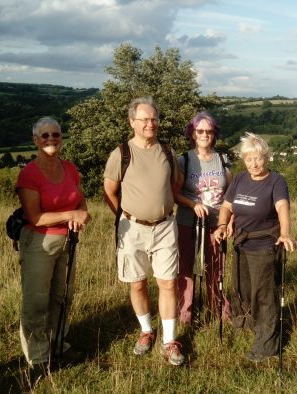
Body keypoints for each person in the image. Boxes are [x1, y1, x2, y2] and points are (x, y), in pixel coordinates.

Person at [103, 97, 186, 366]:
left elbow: (176, 184)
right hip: (132, 229)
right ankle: (147, 332)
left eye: (154, 119)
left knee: (168, 283)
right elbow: (109, 190)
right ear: (132, 123)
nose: (151, 124)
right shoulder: (121, 154)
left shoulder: (167, 151)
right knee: (137, 283)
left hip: (164, 227)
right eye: (145, 119)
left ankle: (169, 341)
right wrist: (125, 217)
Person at [16, 117, 90, 377]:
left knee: (62, 297)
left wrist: (81, 214)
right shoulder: (29, 174)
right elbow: (35, 217)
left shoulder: (70, 168)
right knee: (36, 300)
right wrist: (71, 214)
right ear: (35, 140)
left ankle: (59, 344)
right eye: (45, 136)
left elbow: (81, 203)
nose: (51, 140)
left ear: (61, 138)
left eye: (55, 135)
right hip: (40, 241)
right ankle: (37, 358)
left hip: (68, 241)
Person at [212, 132, 295, 362]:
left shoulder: (276, 181)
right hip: (241, 243)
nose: (254, 164)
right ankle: (247, 325)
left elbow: (282, 207)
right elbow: (227, 206)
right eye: (249, 159)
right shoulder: (239, 179)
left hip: (265, 246)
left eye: (258, 158)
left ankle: (267, 344)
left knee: (264, 295)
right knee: (242, 289)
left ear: (266, 157)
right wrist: (221, 225)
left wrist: (285, 233)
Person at [174, 111, 232, 324]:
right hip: (188, 224)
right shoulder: (185, 160)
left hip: (217, 224)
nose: (205, 135)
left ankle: (219, 312)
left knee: (216, 269)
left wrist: (228, 222)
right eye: (200, 131)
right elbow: (175, 193)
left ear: (214, 134)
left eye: (209, 131)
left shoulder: (223, 160)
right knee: (186, 271)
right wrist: (193, 204)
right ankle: (184, 315)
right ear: (193, 133)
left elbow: (230, 194)